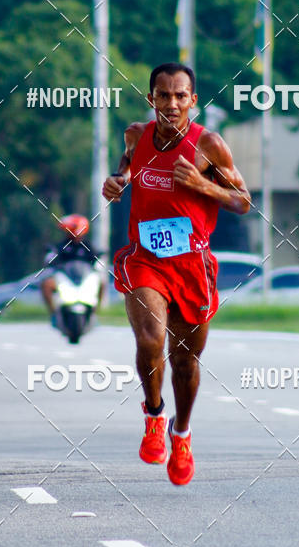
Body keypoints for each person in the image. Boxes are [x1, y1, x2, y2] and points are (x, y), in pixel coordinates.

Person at [102, 62, 250, 486]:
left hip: (192, 265)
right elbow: (125, 167)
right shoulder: (136, 135)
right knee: (150, 339)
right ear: (151, 99)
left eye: (180, 95)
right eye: (163, 95)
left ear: (192, 101)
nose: (171, 103)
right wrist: (116, 181)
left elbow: (243, 201)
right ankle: (153, 414)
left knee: (185, 361)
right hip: (145, 257)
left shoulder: (209, 145)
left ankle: (180, 433)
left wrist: (203, 186)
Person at [41, 214, 101, 324]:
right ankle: (53, 313)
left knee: (102, 283)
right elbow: (52, 256)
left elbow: (96, 259)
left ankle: (95, 312)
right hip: (64, 278)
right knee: (46, 284)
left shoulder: (88, 247)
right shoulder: (61, 246)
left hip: (83, 277)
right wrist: (50, 257)